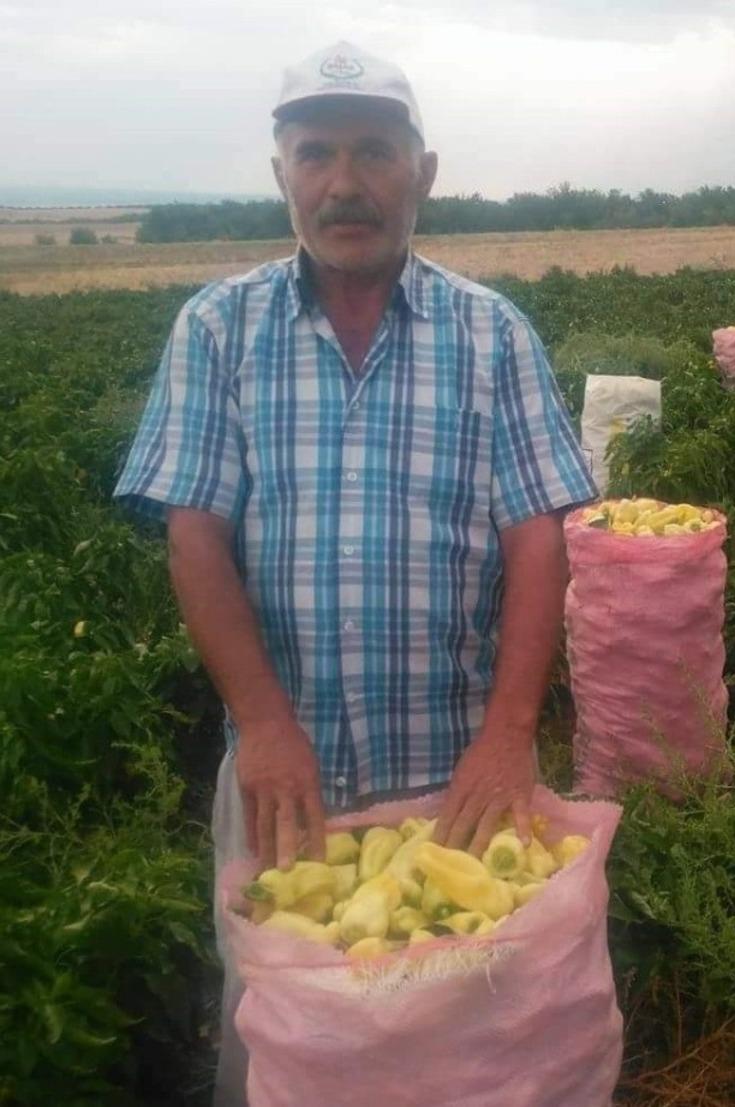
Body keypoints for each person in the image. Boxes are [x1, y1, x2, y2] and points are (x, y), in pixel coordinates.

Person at [113, 41, 596, 1106]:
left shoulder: (491, 335)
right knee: (300, 1047)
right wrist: (264, 722)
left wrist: (511, 734)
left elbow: (537, 538)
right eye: (316, 153)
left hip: (459, 781)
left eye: (374, 153)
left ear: (422, 172)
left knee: (469, 1048)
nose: (345, 183)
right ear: (280, 171)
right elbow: (193, 535)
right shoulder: (219, 330)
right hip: (289, 783)